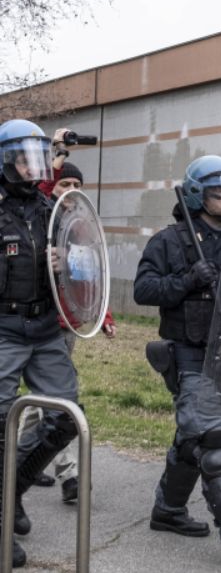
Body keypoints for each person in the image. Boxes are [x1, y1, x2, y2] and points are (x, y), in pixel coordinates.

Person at [134, 155, 221, 564]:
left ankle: (168, 510)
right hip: (188, 352)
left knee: (192, 435)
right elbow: (144, 289)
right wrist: (187, 281)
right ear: (199, 197)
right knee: (212, 440)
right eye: (219, 191)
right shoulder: (170, 241)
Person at [0, 119, 84, 568]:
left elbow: (82, 263)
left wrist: (64, 260)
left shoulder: (52, 207)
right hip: (5, 329)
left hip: (47, 327)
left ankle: (11, 491)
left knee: (66, 418)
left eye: (35, 156)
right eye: (21, 158)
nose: (31, 166)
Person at [24, 156, 118, 503]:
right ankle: (69, 475)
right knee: (59, 402)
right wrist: (54, 163)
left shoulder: (80, 228)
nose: (72, 191)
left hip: (68, 324)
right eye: (66, 184)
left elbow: (90, 275)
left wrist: (102, 315)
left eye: (78, 186)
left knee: (41, 403)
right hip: (42, 324)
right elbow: (43, 191)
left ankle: (24, 462)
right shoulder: (42, 219)